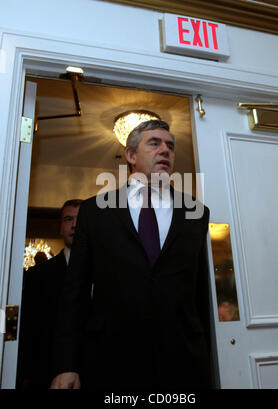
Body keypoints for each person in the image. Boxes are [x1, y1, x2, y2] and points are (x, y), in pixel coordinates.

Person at [51, 120, 212, 391]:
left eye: (170, 146)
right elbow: (74, 292)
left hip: (181, 363)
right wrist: (66, 363)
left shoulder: (196, 212)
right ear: (131, 156)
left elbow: (200, 293)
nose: (165, 150)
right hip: (111, 361)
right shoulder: (95, 211)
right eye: (154, 143)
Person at [17, 199, 83, 389]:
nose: (75, 225)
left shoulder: (108, 273)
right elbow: (29, 329)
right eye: (68, 219)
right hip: (47, 375)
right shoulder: (38, 275)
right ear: (60, 228)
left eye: (81, 220)